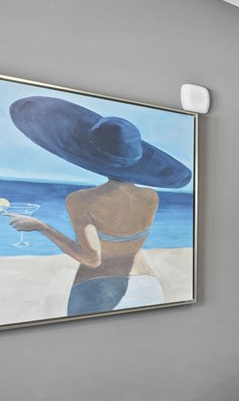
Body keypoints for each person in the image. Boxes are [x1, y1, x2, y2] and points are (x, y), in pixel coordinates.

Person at [6, 96, 191, 316]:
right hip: (148, 285)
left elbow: (91, 259)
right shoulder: (151, 197)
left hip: (97, 289)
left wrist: (40, 227)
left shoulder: (81, 200)